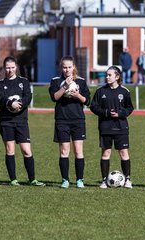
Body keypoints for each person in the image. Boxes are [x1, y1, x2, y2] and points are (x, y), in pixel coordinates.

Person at [0, 56, 45, 186]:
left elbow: (28, 96)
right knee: (10, 149)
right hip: (6, 121)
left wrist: (20, 104)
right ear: (4, 68)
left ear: (16, 67)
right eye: (7, 67)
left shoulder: (24, 82)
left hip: (21, 121)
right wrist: (10, 103)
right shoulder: (1, 84)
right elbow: (0, 99)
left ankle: (32, 179)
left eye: (12, 67)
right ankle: (13, 180)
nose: (10, 70)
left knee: (26, 150)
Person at [49, 56, 91, 188]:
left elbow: (87, 101)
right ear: (61, 68)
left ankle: (80, 180)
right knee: (64, 151)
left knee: (78, 151)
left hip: (78, 120)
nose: (67, 69)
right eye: (64, 67)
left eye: (69, 67)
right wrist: (65, 87)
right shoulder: (56, 81)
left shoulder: (81, 82)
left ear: (74, 67)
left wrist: (77, 95)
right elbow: (54, 97)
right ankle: (65, 180)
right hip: (62, 120)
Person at [90, 66, 134, 189]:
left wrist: (120, 113)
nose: (107, 77)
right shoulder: (100, 91)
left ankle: (128, 180)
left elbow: (130, 108)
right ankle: (104, 180)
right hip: (105, 127)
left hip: (121, 127)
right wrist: (106, 113)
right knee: (106, 153)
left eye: (110, 75)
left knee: (123, 153)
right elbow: (93, 107)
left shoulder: (125, 92)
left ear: (117, 77)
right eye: (107, 75)